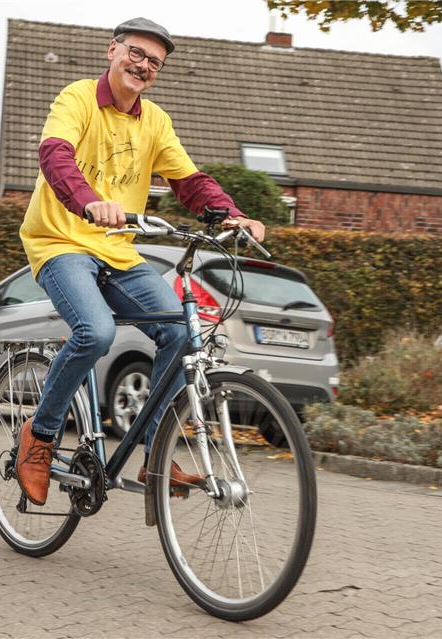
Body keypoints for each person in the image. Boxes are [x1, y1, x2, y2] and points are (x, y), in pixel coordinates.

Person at [15, 17, 266, 506]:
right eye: (136, 53)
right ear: (113, 50)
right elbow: (55, 155)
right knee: (96, 331)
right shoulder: (77, 98)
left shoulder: (155, 121)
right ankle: (40, 438)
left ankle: (155, 453)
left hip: (117, 251)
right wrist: (88, 200)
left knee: (180, 331)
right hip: (60, 242)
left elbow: (188, 181)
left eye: (154, 62)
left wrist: (231, 214)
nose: (143, 65)